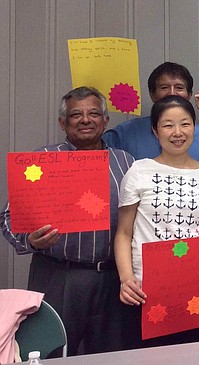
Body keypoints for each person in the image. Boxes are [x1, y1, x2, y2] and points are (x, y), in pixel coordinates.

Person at [0, 87, 134, 356]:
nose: (86, 119)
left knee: (114, 356)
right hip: (59, 275)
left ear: (105, 121)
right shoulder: (42, 161)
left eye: (94, 113)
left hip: (113, 278)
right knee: (51, 353)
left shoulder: (126, 162)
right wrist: (28, 240)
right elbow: (8, 217)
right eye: (76, 114)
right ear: (63, 122)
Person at [114, 95, 199, 348]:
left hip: (194, 287)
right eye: (168, 125)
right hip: (145, 290)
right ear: (155, 131)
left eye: (185, 124)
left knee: (192, 354)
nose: (177, 132)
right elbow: (123, 233)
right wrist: (126, 278)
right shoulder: (138, 171)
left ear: (194, 127)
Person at [103, 61, 199, 174]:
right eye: (164, 87)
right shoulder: (126, 132)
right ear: (152, 94)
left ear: (189, 94)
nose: (172, 93)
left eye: (179, 88)